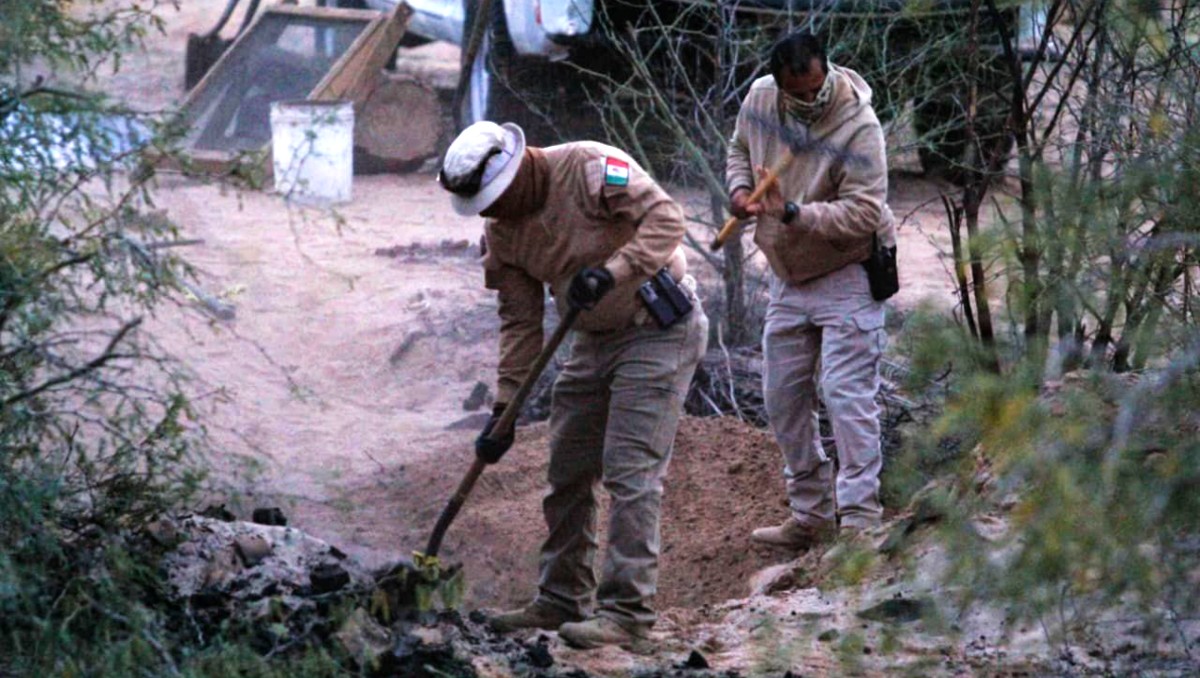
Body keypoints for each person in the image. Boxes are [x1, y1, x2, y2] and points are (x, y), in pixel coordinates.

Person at [437, 121, 708, 650]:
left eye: (495, 199)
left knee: (630, 472)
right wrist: (503, 408)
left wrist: (613, 271)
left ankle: (627, 615)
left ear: (517, 170)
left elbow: (666, 218)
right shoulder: (501, 229)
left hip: (657, 329)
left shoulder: (589, 167)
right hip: (590, 340)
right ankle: (560, 598)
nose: (491, 213)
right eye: (483, 206)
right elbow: (519, 321)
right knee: (567, 471)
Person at [726, 31, 896, 548]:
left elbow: (865, 213)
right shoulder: (760, 99)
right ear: (779, 83)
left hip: (848, 267)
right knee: (782, 397)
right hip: (789, 271)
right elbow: (737, 148)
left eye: (815, 89)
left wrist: (794, 213)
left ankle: (861, 518)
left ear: (827, 70)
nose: (807, 100)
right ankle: (811, 514)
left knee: (846, 395)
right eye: (796, 93)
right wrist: (739, 190)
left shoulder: (858, 124)